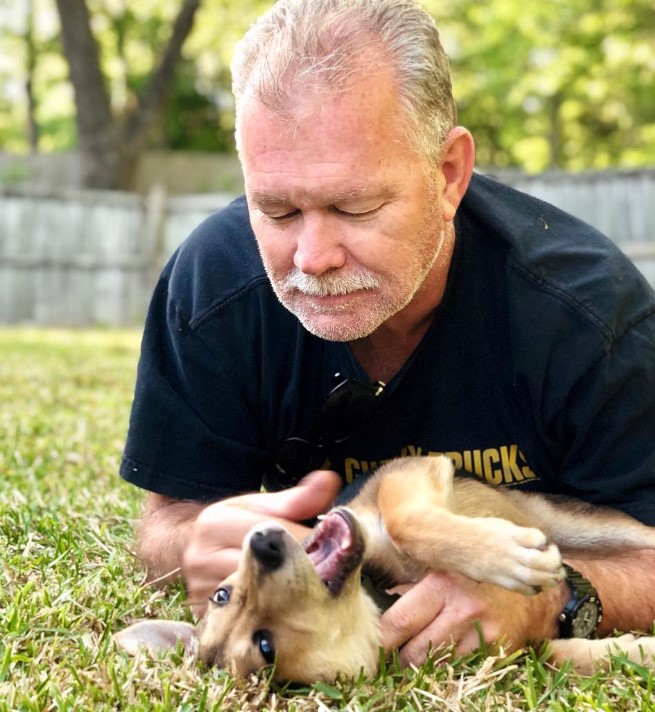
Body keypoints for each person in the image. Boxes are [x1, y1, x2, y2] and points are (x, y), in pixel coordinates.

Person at [120, 0, 655, 668]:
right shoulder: (213, 290)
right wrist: (197, 541)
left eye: (355, 206)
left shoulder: (587, 316)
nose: (311, 257)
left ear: (448, 175)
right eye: (277, 209)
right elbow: (168, 518)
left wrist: (557, 596)